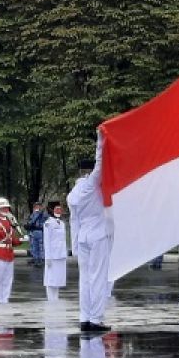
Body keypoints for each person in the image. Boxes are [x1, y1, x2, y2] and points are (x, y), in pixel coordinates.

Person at [67, 139, 112, 334]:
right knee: (99, 277)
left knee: (84, 279)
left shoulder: (72, 194)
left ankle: (84, 317)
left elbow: (73, 222)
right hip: (98, 234)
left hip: (83, 236)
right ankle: (96, 318)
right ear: (89, 171)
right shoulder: (90, 185)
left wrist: (75, 246)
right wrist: (101, 140)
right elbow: (101, 162)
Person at [0, 198, 21, 304]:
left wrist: (20, 240)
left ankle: (5, 299)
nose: (6, 209)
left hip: (9, 253)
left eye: (7, 207)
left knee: (8, 279)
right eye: (3, 207)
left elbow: (12, 239)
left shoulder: (10, 222)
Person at [42, 202, 68, 301]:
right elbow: (47, 241)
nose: (59, 211)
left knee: (58, 278)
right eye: (57, 209)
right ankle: (50, 298)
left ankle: (56, 298)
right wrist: (47, 257)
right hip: (52, 255)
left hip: (61, 254)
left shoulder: (61, 223)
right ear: (52, 210)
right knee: (50, 278)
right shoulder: (48, 223)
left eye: (60, 209)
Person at [25, 201, 46, 267]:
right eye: (35, 206)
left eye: (38, 206)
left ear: (40, 207)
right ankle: (36, 259)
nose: (37, 207)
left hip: (40, 231)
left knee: (41, 246)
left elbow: (45, 223)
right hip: (33, 232)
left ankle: (42, 260)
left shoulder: (43, 214)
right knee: (34, 246)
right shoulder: (33, 214)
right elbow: (30, 221)